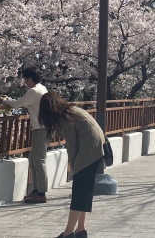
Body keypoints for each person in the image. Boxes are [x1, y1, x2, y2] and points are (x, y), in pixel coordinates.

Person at [38, 92, 105, 238]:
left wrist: (75, 168)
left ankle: (68, 233)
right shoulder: (71, 110)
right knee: (84, 192)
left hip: (88, 151)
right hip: (97, 148)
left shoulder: (65, 118)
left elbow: (72, 145)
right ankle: (80, 230)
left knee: (79, 193)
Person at [0, 67, 49, 203]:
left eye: (25, 79)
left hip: (40, 129)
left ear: (30, 79)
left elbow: (18, 104)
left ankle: (41, 193)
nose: (25, 82)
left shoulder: (33, 91)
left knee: (39, 161)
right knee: (34, 160)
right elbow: (26, 102)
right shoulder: (42, 88)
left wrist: (3, 101)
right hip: (43, 127)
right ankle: (36, 190)